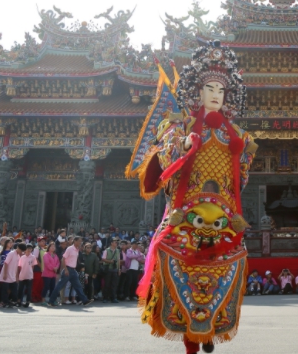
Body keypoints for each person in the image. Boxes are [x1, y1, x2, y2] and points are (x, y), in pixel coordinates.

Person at [132, 42, 258, 354]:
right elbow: (165, 157)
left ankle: (210, 327)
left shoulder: (237, 134)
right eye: (209, 88)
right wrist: (183, 146)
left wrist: (244, 156)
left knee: (226, 267)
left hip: (223, 215)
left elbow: (240, 180)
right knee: (178, 262)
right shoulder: (181, 125)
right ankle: (191, 338)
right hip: (186, 213)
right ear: (197, 92)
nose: (216, 94)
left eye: (221, 90)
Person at [48, 236, 91, 307]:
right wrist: (65, 269)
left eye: (81, 241)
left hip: (73, 270)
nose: (80, 242)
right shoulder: (70, 249)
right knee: (59, 286)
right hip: (68, 269)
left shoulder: (77, 249)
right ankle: (51, 301)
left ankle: (85, 301)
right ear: (75, 241)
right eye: (79, 241)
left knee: (78, 286)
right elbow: (63, 259)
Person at [0, 242, 22, 307]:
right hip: (7, 274)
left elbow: (17, 267)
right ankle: (5, 302)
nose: (21, 252)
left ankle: (13, 301)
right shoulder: (11, 253)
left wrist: (17, 276)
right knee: (5, 289)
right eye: (21, 250)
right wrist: (5, 274)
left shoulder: (18, 256)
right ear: (18, 248)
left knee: (14, 289)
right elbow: (6, 263)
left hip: (13, 275)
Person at [101, 238, 121, 303]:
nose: (116, 243)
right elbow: (103, 259)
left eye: (116, 242)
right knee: (107, 284)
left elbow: (118, 260)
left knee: (114, 284)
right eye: (115, 242)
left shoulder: (117, 251)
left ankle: (113, 298)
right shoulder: (106, 250)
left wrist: (119, 269)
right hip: (108, 269)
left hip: (115, 269)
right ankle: (105, 298)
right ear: (111, 243)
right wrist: (110, 261)